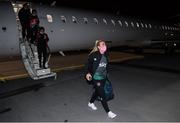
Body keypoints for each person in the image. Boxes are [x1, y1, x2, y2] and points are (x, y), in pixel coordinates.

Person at [85, 40, 117, 119]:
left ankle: (90, 103)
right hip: (96, 78)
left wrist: (107, 74)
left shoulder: (106, 55)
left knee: (97, 91)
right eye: (102, 45)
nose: (104, 46)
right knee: (102, 94)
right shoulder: (93, 55)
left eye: (104, 44)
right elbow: (87, 65)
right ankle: (108, 112)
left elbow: (106, 66)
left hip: (103, 78)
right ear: (98, 47)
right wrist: (87, 73)